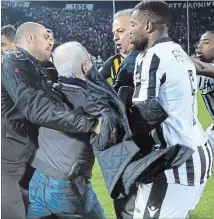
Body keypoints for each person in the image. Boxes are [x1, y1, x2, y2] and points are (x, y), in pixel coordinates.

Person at [1, 22, 99, 219]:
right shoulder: (15, 60)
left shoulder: (40, 67)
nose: (51, 41)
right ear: (29, 38)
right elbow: (35, 108)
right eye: (46, 37)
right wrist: (91, 123)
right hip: (7, 161)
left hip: (27, 159)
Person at [130, 1, 213, 218]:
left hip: (174, 162)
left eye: (133, 24)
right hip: (197, 152)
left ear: (148, 26)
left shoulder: (150, 56)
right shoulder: (179, 52)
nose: (131, 30)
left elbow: (144, 114)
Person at [27, 41, 105, 219]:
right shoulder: (93, 101)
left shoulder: (46, 93)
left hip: (38, 178)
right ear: (86, 66)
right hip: (68, 185)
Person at [192, 30, 214, 163]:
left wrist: (174, 54)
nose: (200, 45)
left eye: (206, 42)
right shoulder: (199, 74)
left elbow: (202, 68)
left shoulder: (204, 69)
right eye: (199, 42)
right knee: (194, 163)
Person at [99, 9, 134, 85]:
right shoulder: (112, 63)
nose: (115, 38)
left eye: (120, 31)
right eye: (114, 33)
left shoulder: (154, 57)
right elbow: (92, 87)